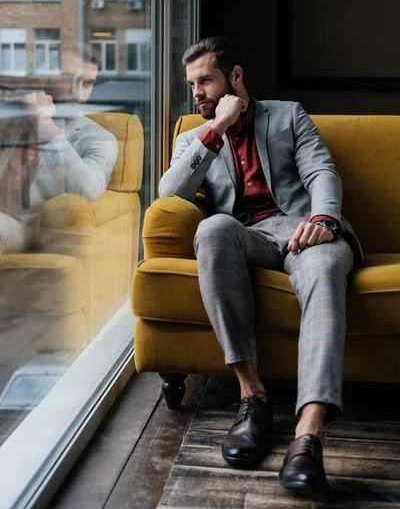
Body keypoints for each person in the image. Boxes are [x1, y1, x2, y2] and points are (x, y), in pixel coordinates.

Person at [159, 36, 363, 500]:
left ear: (235, 77)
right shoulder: (196, 137)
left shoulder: (288, 114)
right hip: (245, 236)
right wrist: (218, 128)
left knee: (326, 269)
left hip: (303, 232)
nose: (197, 93)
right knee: (212, 230)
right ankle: (252, 397)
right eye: (192, 84)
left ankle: (308, 435)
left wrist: (324, 219)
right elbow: (170, 196)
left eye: (205, 80)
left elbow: (320, 173)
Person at [0, 49, 118, 255]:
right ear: (48, 77)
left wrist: (45, 124)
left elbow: (88, 189)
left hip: (27, 227)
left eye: (87, 84)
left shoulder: (100, 138)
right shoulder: (11, 121)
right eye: (70, 79)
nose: (78, 92)